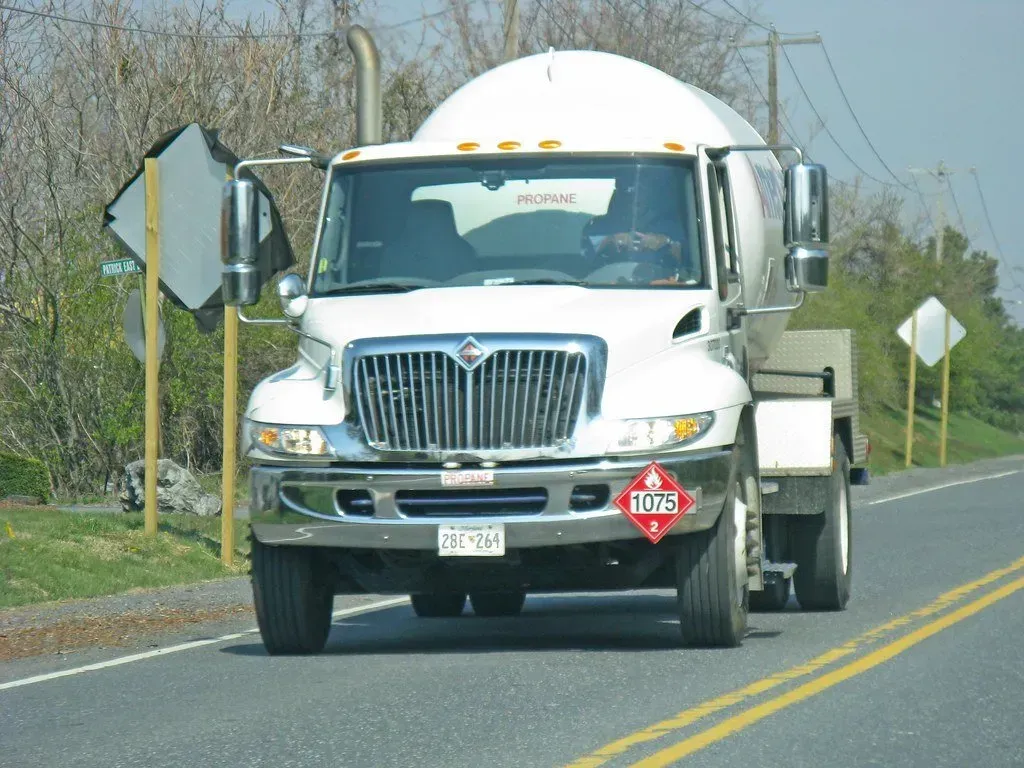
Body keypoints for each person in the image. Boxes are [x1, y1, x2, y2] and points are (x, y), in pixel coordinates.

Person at [581, 166, 696, 284]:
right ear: (618, 192)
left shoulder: (671, 226)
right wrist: (611, 239)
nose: (633, 194)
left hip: (660, 290)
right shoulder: (596, 226)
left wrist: (666, 241)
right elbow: (585, 261)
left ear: (652, 193)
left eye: (640, 188)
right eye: (627, 190)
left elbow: (690, 266)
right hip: (604, 290)